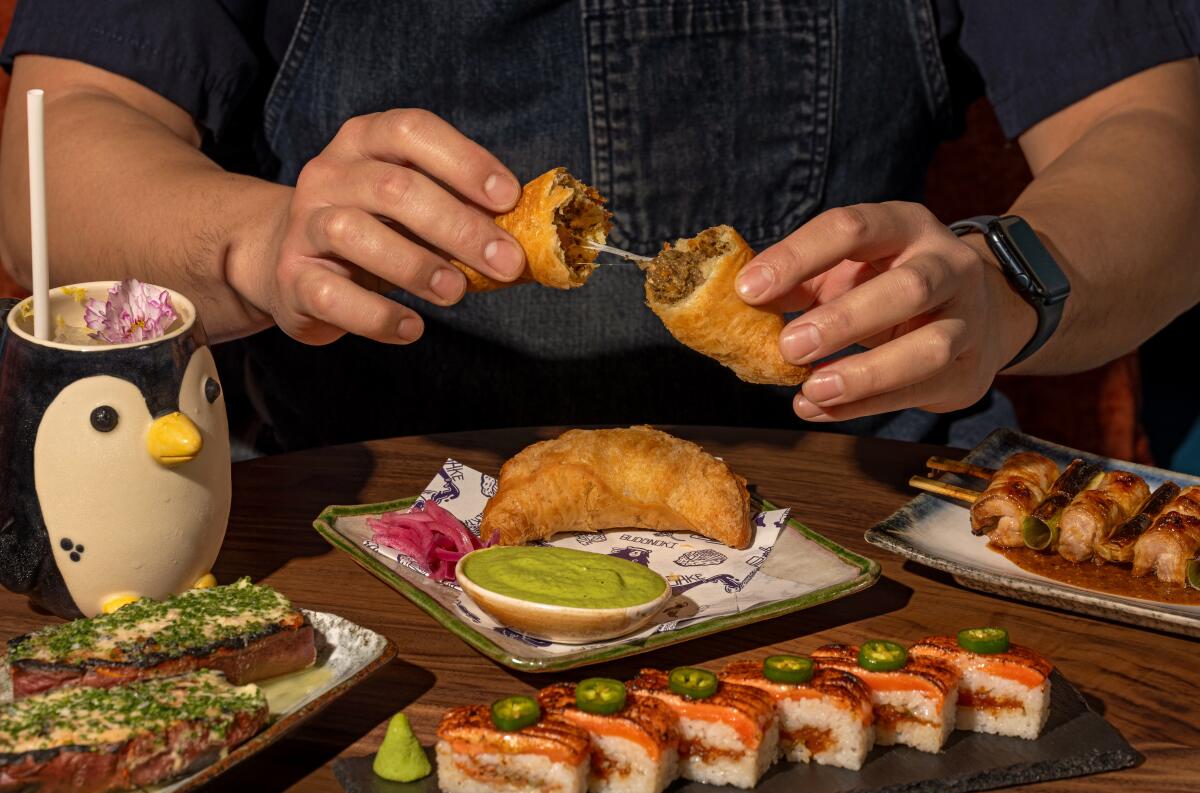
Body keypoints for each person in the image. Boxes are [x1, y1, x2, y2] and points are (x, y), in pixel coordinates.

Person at [0, 2, 1197, 455]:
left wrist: (1005, 279)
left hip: (867, 530)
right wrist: (260, 243)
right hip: (370, 531)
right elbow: (57, 144)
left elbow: (1159, 144)